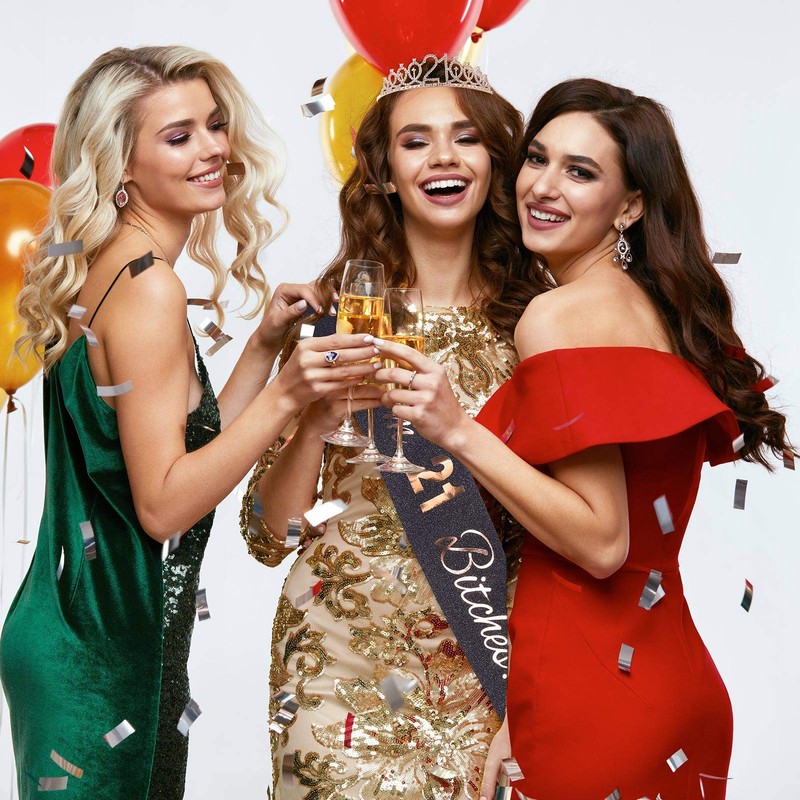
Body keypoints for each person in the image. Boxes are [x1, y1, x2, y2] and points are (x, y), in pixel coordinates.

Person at [369, 78, 793, 800]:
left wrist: (456, 430)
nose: (543, 187)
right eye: (537, 159)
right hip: (663, 676)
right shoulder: (651, 306)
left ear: (629, 207)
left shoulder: (558, 316)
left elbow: (602, 543)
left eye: (581, 172)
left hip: (594, 685)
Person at [0, 45, 375, 800]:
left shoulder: (109, 261)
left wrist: (264, 348)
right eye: (179, 136)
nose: (213, 149)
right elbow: (164, 505)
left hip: (79, 629)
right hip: (106, 657)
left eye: (214, 124)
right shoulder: (150, 288)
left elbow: (175, 449)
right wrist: (288, 396)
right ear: (121, 164)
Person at [240, 55, 550, 799]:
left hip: (484, 663)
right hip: (336, 667)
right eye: (416, 141)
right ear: (383, 172)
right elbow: (268, 537)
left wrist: (535, 695)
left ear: (495, 161)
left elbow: (564, 531)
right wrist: (315, 424)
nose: (443, 157)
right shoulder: (335, 320)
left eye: (466, 138)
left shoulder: (539, 325)